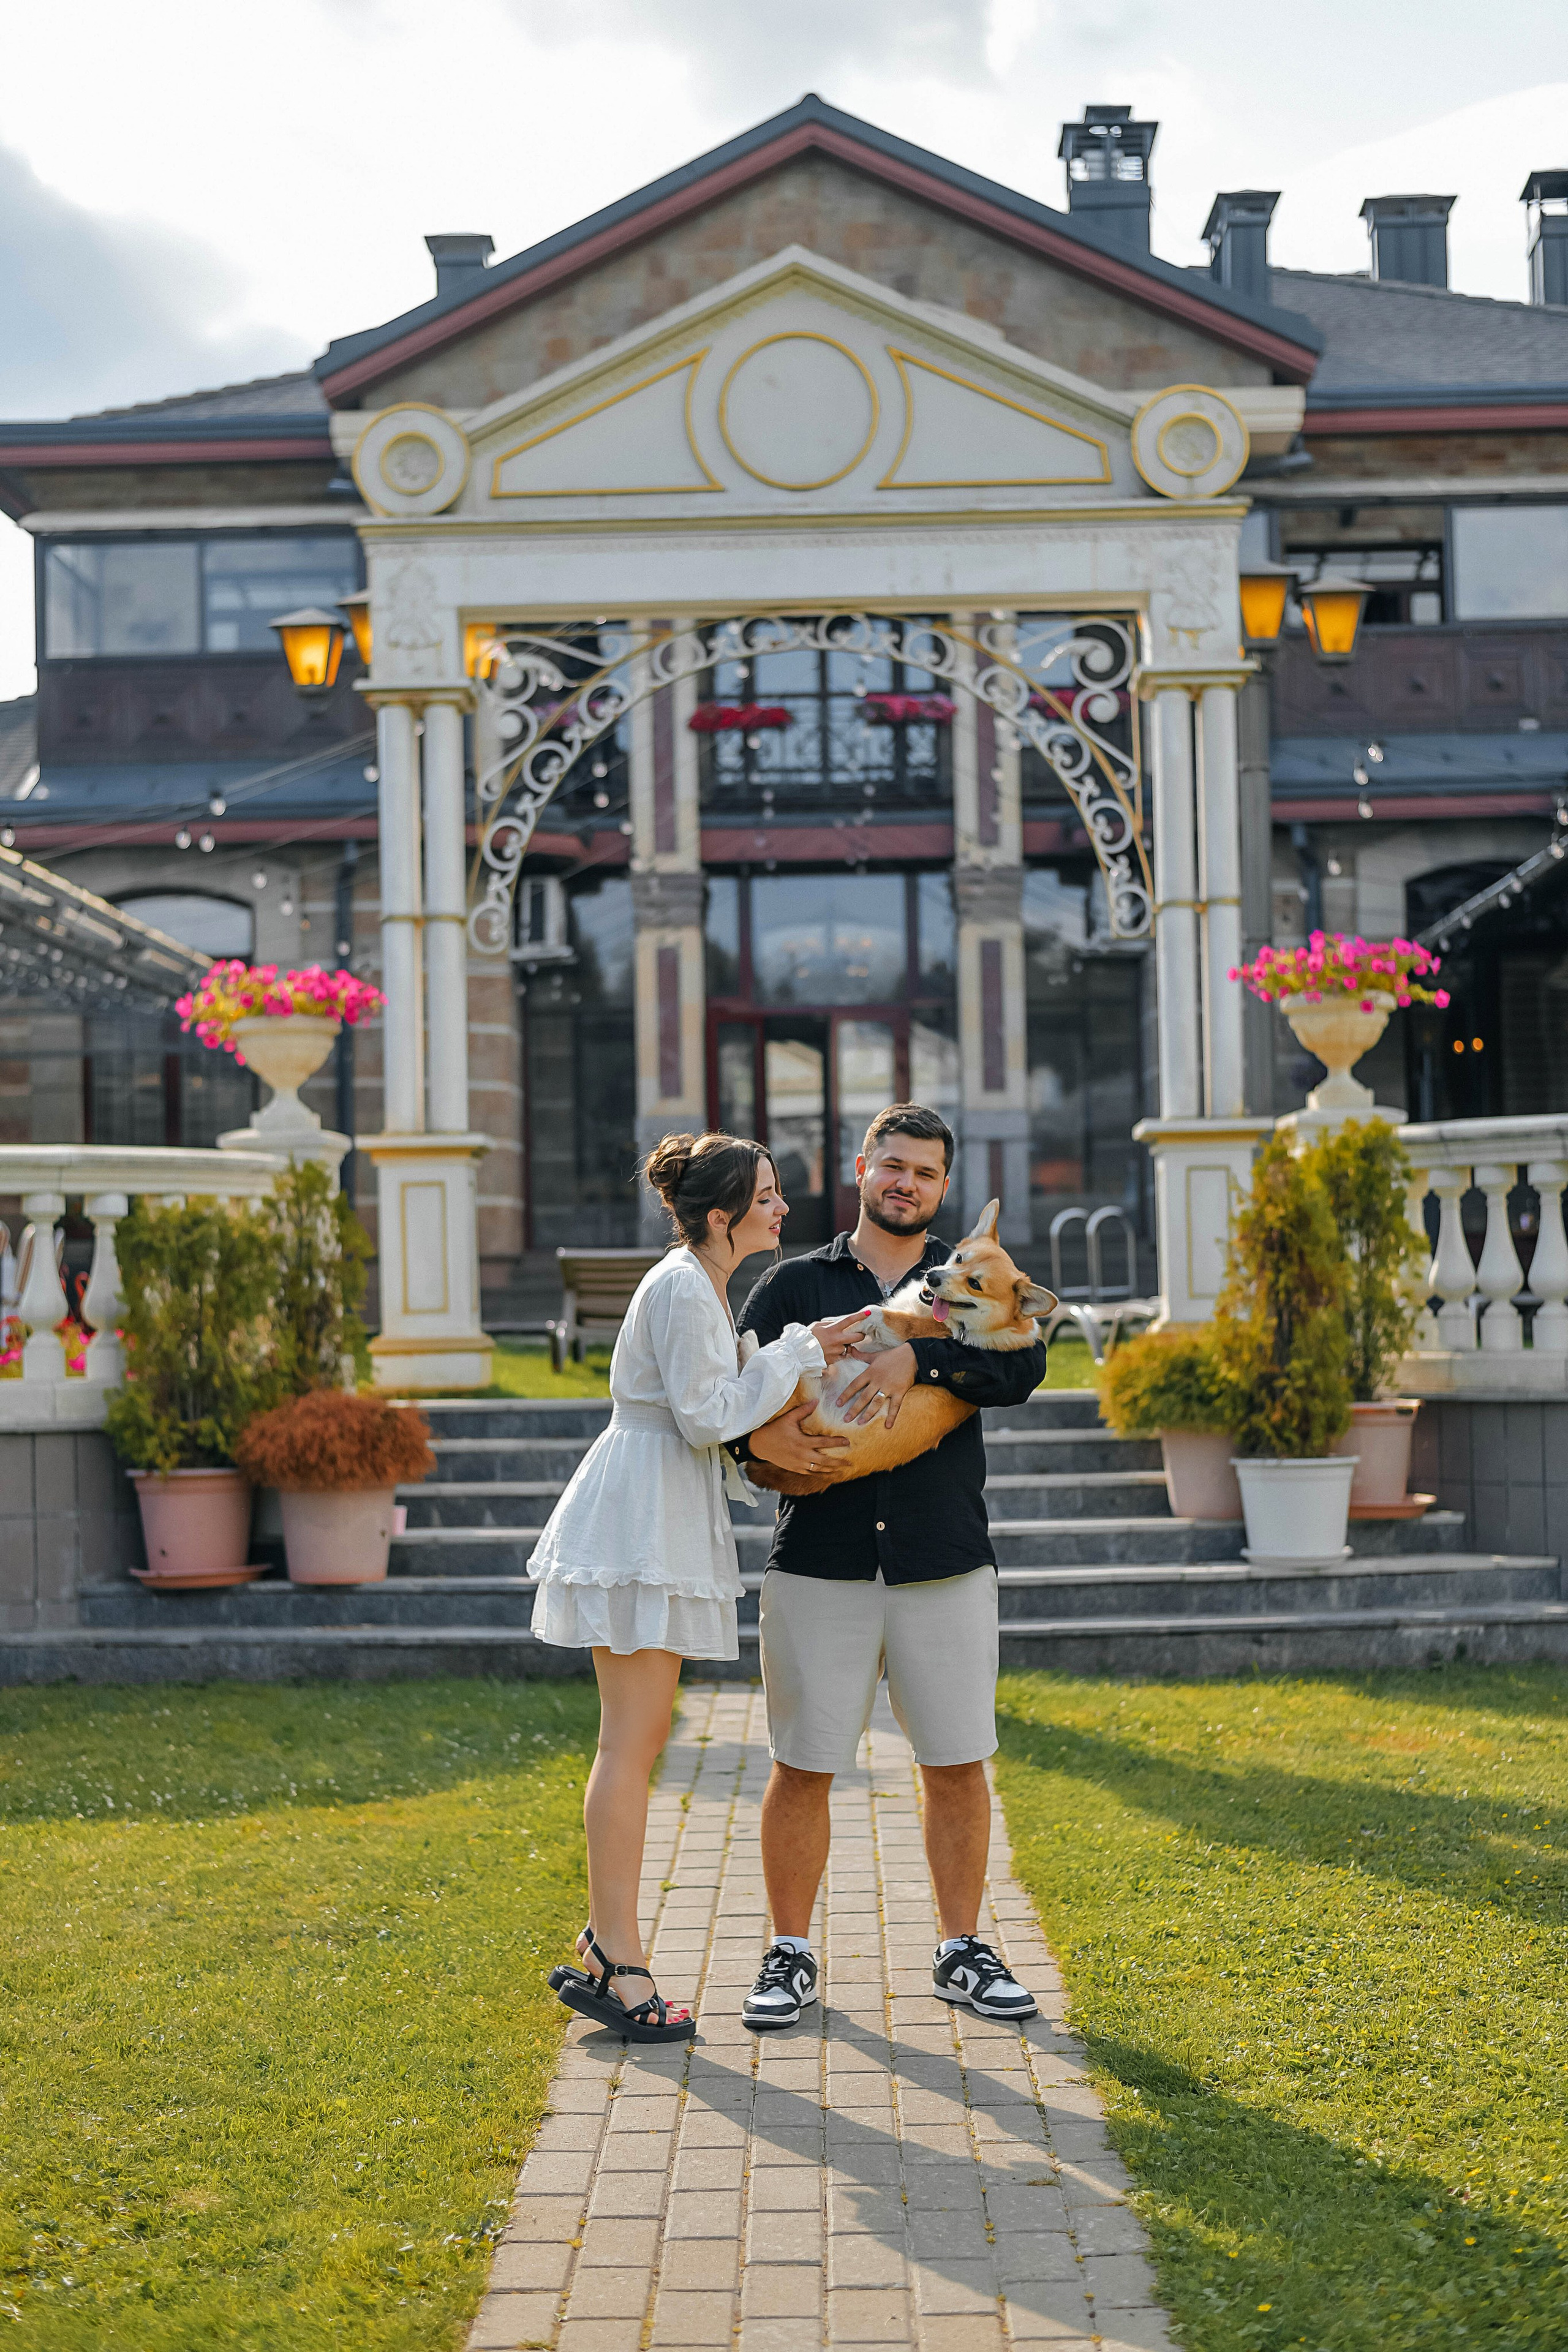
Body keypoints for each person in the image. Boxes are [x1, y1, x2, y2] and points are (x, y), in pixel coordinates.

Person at [529, 1131, 869, 2043]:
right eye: (767, 1195)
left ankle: (610, 1946)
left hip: (656, 1510)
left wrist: (803, 1349)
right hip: (641, 1517)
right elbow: (708, 1414)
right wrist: (797, 1351)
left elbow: (713, 1408)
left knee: (632, 1746)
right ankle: (620, 1964)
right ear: (722, 1216)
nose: (783, 1209)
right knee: (629, 1749)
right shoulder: (684, 1285)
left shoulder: (698, 1285)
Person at [728, 1104, 1047, 2032]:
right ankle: (789, 1954)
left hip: (941, 1557)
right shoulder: (790, 1284)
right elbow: (734, 1411)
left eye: (925, 1173)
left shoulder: (977, 1276)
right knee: (802, 1763)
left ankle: (962, 1951)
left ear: (944, 1189)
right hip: (818, 1558)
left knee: (956, 1761)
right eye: (892, 1165)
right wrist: (760, 1456)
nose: (905, 1183)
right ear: (861, 1166)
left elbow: (1022, 1372)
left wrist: (922, 1362)